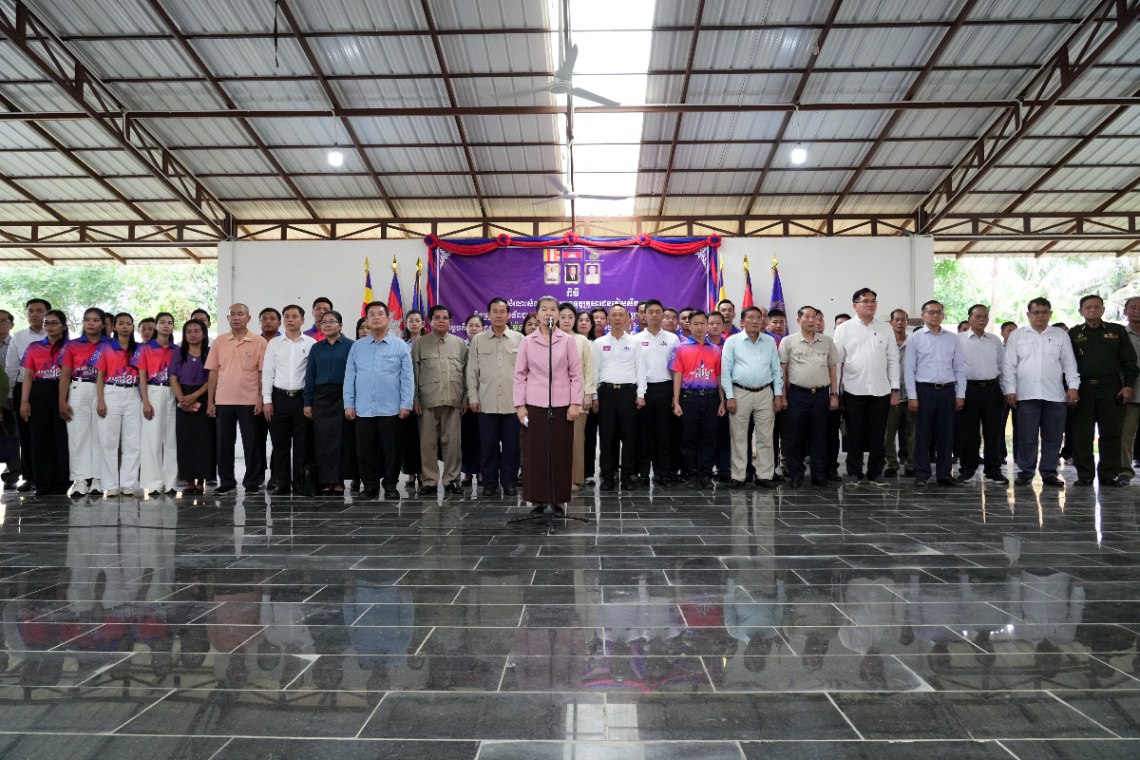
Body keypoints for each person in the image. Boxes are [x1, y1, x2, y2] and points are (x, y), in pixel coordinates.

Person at [513, 296, 583, 513]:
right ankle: (539, 500)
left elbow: (576, 375)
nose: (549, 313)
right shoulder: (527, 341)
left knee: (560, 453)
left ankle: (557, 500)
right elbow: (520, 375)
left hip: (562, 406)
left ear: (558, 315)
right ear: (537, 314)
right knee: (535, 453)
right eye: (544, 309)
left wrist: (575, 403)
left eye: (553, 309)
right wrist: (520, 406)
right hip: (534, 405)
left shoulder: (568, 340)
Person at [1003, 297, 1080, 488]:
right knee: (1026, 437)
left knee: (1053, 437)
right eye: (1036, 312)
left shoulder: (1060, 335)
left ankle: (1049, 472)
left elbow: (1069, 363)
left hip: (1055, 395)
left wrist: (1073, 387)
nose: (1040, 316)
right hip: (1026, 394)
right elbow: (1009, 365)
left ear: (1050, 314)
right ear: (1028, 314)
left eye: (1044, 312)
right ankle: (1026, 472)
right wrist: (1010, 389)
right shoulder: (1017, 336)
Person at [345, 302, 413, 500]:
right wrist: (349, 404)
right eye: (371, 314)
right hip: (363, 408)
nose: (376, 317)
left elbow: (407, 378)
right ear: (366, 320)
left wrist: (406, 404)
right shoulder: (357, 347)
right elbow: (350, 377)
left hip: (391, 408)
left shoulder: (400, 346)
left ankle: (390, 486)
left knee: (392, 450)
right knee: (364, 451)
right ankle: (370, 486)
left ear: (388, 319)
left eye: (380, 314)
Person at [832, 289, 900, 487]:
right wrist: (835, 392)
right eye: (866, 301)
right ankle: (854, 472)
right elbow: (836, 362)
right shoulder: (844, 329)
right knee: (854, 433)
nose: (871, 304)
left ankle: (875, 472)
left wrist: (895, 389)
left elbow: (893, 360)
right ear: (855, 305)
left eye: (873, 301)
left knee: (879, 433)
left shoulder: (885, 328)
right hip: (854, 389)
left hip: (881, 390)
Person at [1069, 294, 1138, 487]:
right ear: (1081, 311)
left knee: (1111, 433)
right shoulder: (1074, 333)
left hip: (1111, 388)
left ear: (1103, 309)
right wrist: (1070, 388)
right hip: (1083, 389)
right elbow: (1066, 363)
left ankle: (1108, 475)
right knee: (1082, 434)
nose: (1092, 310)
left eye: (1096, 307)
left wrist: (1128, 386)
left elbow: (1129, 361)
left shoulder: (1117, 331)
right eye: (1088, 307)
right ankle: (1085, 475)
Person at [205, 303, 268, 495]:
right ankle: (227, 481)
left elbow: (263, 373)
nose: (236, 317)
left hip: (250, 401)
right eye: (232, 314)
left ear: (248, 318)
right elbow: (213, 372)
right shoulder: (219, 341)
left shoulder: (259, 342)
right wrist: (210, 401)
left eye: (240, 314)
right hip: (223, 401)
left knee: (252, 444)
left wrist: (261, 399)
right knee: (223, 444)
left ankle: (252, 482)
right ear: (227, 318)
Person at [903, 300, 966, 488]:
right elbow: (909, 369)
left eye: (938, 312)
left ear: (943, 315)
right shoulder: (915, 338)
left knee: (946, 434)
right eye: (931, 312)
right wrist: (912, 396)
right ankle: (921, 473)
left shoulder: (952, 338)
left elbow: (959, 368)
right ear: (923, 315)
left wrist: (960, 394)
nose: (935, 315)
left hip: (947, 391)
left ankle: (944, 474)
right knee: (922, 434)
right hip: (924, 391)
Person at [722, 306, 784, 488]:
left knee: (766, 436)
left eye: (759, 317)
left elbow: (776, 369)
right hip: (740, 393)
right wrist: (729, 397)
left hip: (765, 393)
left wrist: (778, 394)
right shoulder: (732, 342)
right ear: (742, 322)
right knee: (739, 436)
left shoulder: (769, 341)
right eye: (751, 318)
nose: (756, 321)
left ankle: (765, 475)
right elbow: (725, 371)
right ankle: (738, 475)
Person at [468, 297, 524, 498]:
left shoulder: (520, 339)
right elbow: (472, 371)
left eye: (502, 311)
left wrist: (524, 401)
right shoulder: (478, 340)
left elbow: (526, 372)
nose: (498, 315)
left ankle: (509, 482)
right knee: (488, 445)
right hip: (486, 402)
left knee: (512, 446)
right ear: (488, 314)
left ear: (509, 315)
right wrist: (473, 397)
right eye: (495, 311)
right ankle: (489, 483)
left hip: (513, 403)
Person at [780, 306, 839, 488]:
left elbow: (832, 369)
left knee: (820, 436)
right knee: (795, 436)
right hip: (797, 394)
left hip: (821, 395)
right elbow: (783, 371)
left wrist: (834, 395)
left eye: (815, 317)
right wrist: (783, 396)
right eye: (807, 316)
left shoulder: (827, 342)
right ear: (798, 320)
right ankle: (796, 474)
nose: (812, 320)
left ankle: (818, 475)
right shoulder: (788, 341)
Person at [412, 304, 468, 497]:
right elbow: (414, 374)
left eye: (445, 318)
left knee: (453, 444)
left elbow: (466, 374)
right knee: (427, 444)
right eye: (437, 317)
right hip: (427, 401)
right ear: (430, 321)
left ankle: (452, 480)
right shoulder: (420, 344)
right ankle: (429, 481)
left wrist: (465, 398)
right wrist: (416, 399)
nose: (441, 320)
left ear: (450, 321)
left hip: (453, 400)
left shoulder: (460, 344)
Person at [262, 304, 316, 495]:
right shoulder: (274, 344)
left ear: (303, 320)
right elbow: (267, 373)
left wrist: (310, 402)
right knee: (280, 443)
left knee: (302, 443)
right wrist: (267, 401)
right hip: (279, 398)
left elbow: (312, 375)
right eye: (287, 316)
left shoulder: (311, 344)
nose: (290, 319)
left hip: (301, 398)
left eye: (294, 316)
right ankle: (281, 482)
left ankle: (299, 482)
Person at [591, 304, 642, 492]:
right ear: (608, 320)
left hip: (628, 393)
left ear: (628, 319)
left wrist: (641, 394)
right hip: (606, 394)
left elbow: (641, 370)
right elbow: (594, 371)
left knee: (629, 437)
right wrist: (594, 396)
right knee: (607, 437)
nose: (618, 318)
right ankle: (608, 476)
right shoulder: (599, 343)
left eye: (621, 315)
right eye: (614, 315)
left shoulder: (635, 342)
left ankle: (627, 476)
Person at [303, 309, 354, 495]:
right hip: (321, 398)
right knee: (322, 441)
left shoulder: (351, 346)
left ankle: (339, 481)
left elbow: (355, 374)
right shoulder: (316, 348)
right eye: (324, 322)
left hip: (342, 396)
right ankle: (326, 481)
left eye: (331, 321)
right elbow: (310, 376)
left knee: (341, 440)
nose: (327, 325)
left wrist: (352, 401)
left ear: (340, 325)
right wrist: (307, 402)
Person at [18, 309, 69, 495]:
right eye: (47, 323)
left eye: (54, 323)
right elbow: (28, 375)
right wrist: (24, 401)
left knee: (62, 437)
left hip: (64, 392)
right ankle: (42, 482)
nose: (50, 326)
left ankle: (62, 481)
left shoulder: (71, 347)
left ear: (63, 326)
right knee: (40, 437)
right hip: (39, 393)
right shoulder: (34, 347)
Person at [670, 310, 723, 487]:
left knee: (709, 436)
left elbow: (719, 376)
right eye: (695, 324)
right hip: (689, 398)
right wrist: (676, 401)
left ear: (707, 325)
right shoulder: (680, 348)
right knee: (688, 436)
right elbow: (677, 375)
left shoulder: (715, 349)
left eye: (702, 323)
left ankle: (706, 473)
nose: (699, 327)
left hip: (711, 398)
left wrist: (722, 400)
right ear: (689, 326)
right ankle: (690, 473)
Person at [58, 308, 107, 496]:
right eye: (87, 320)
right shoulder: (72, 345)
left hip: (104, 390)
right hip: (79, 388)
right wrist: (62, 401)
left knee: (101, 434)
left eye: (95, 320)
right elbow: (65, 375)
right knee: (78, 435)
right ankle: (80, 480)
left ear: (103, 323)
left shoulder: (110, 345)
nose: (91, 323)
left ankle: (98, 478)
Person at [957, 304, 1007, 484]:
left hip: (992, 389)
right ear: (969, 318)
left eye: (985, 317)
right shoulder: (958, 340)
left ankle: (993, 470)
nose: (981, 320)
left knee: (993, 431)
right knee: (968, 432)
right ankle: (967, 469)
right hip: (969, 389)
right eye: (977, 316)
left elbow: (1002, 367)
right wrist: (958, 393)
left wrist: (1005, 390)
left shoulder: (994, 340)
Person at [95, 312, 143, 497]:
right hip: (111, 392)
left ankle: (128, 483)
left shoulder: (138, 348)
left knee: (133, 441)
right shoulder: (105, 347)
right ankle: (111, 485)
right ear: (114, 326)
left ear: (132, 327)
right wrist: (100, 400)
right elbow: (100, 376)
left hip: (133, 393)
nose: (125, 326)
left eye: (128, 324)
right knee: (109, 441)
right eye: (121, 323)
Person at [5, 298, 49, 492]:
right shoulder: (19, 337)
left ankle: (48, 476)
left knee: (48, 434)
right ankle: (29, 477)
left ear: (48, 313)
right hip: (23, 388)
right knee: (26, 435)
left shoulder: (56, 335)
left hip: (49, 388)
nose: (34, 314)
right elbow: (11, 367)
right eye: (31, 311)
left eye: (39, 311)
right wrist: (9, 394)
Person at [636, 299, 680, 487]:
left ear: (663, 314)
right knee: (644, 435)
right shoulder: (636, 339)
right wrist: (639, 393)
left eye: (658, 311)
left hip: (665, 388)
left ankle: (663, 473)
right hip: (644, 389)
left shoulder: (672, 339)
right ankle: (643, 474)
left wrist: (675, 397)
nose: (654, 315)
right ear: (644, 315)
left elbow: (676, 369)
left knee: (664, 434)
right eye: (650, 312)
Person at [135, 312, 179, 495]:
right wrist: (145, 401)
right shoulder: (145, 348)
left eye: (170, 322)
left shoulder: (177, 350)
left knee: (171, 438)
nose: (166, 325)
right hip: (153, 390)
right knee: (152, 438)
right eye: (162, 322)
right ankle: (153, 483)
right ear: (156, 326)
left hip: (172, 392)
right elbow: (141, 376)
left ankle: (171, 482)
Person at [169, 319, 213, 493]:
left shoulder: (210, 352)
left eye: (196, 331)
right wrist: (182, 399)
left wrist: (194, 396)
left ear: (203, 333)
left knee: (204, 441)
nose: (193, 335)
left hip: (204, 396)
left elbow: (212, 379)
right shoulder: (178, 353)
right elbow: (173, 378)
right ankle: (189, 481)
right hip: (183, 396)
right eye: (189, 331)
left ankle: (201, 481)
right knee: (185, 440)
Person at [558, 303, 596, 489]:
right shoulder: (550, 339)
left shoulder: (582, 340)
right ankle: (559, 478)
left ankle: (575, 479)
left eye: (570, 317)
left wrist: (588, 394)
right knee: (558, 441)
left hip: (578, 398)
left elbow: (589, 370)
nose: (566, 320)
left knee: (577, 441)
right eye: (563, 317)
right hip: (555, 398)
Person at [883, 308, 914, 478]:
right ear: (891, 322)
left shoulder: (914, 343)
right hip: (890, 396)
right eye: (897, 320)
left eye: (903, 320)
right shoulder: (885, 343)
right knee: (888, 434)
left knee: (912, 433)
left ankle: (911, 464)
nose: (900, 322)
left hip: (911, 396)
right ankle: (891, 464)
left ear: (907, 323)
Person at [399, 309, 424, 490]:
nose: (414, 323)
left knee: (425, 438)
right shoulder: (401, 345)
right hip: (405, 397)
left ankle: (423, 472)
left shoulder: (428, 343)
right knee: (408, 438)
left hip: (425, 396)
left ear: (423, 323)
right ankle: (410, 473)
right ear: (406, 324)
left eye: (417, 320)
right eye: (411, 321)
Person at [461, 314, 484, 488]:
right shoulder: (461, 347)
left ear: (483, 328)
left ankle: (483, 471)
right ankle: (467, 472)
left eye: (477, 325)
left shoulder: (486, 345)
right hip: (464, 400)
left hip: (484, 399)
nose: (474, 328)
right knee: (466, 438)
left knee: (484, 438)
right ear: (465, 328)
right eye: (471, 325)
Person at [1121, 297, 1140, 483]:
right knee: (1125, 436)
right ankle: (1125, 472)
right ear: (1125, 311)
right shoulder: (1119, 335)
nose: (1137, 311)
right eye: (1133, 307)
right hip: (1129, 394)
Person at [0, 309, 17, 487]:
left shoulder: (15, 344)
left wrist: (10, 395)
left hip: (10, 397)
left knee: (11, 435)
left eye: (3, 320)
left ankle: (13, 474)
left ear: (11, 324)